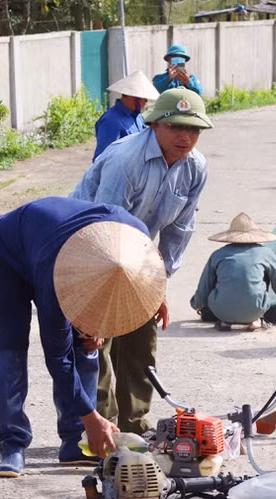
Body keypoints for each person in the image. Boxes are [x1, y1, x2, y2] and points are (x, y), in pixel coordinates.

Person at [0, 197, 166, 478]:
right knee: (11, 347)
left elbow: (141, 274)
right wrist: (92, 416)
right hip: (5, 253)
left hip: (50, 244)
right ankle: (12, 444)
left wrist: (154, 294)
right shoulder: (56, 280)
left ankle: (75, 441)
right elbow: (58, 360)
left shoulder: (135, 237)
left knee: (87, 341)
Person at [70, 87, 213, 434]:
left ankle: (134, 424)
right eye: (176, 126)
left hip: (137, 253)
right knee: (96, 340)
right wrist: (107, 301)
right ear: (153, 126)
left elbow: (180, 229)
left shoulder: (195, 168)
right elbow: (105, 227)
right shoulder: (126, 160)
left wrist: (156, 286)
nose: (185, 136)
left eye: (193, 129)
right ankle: (101, 430)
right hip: (89, 248)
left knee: (141, 330)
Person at [190, 212, 276, 331]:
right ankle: (255, 320)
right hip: (256, 308)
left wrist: (196, 304)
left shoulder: (218, 255)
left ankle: (226, 322)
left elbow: (205, 286)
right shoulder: (265, 253)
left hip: (221, 310)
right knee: (263, 278)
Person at [93, 71, 160, 161]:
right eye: (144, 98)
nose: (146, 102)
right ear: (135, 97)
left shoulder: (138, 117)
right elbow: (103, 157)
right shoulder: (110, 121)